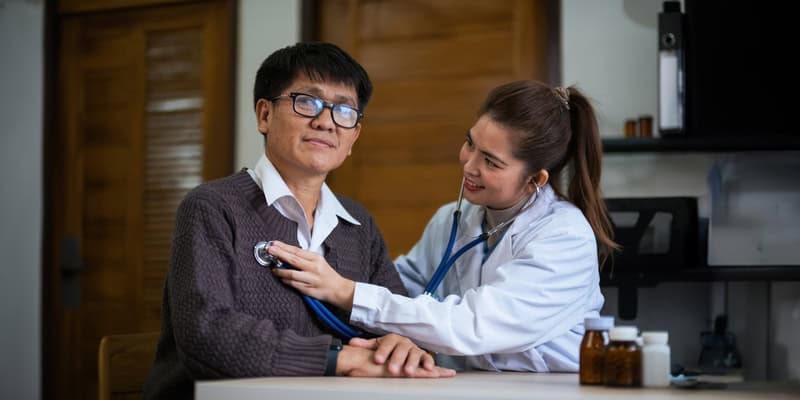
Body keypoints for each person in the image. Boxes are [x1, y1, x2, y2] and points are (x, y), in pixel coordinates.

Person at [143, 42, 455, 400]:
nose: (326, 122)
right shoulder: (212, 206)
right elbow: (207, 331)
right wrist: (338, 359)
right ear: (264, 115)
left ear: (354, 137)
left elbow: (393, 313)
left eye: (345, 111)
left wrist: (402, 342)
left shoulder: (358, 223)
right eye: (307, 101)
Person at [268, 80, 619, 372]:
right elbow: (403, 288)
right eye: (470, 143)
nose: (469, 165)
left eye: (491, 162)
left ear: (535, 180)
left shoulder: (563, 237)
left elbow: (472, 325)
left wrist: (345, 291)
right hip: (470, 383)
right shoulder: (453, 219)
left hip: (552, 389)